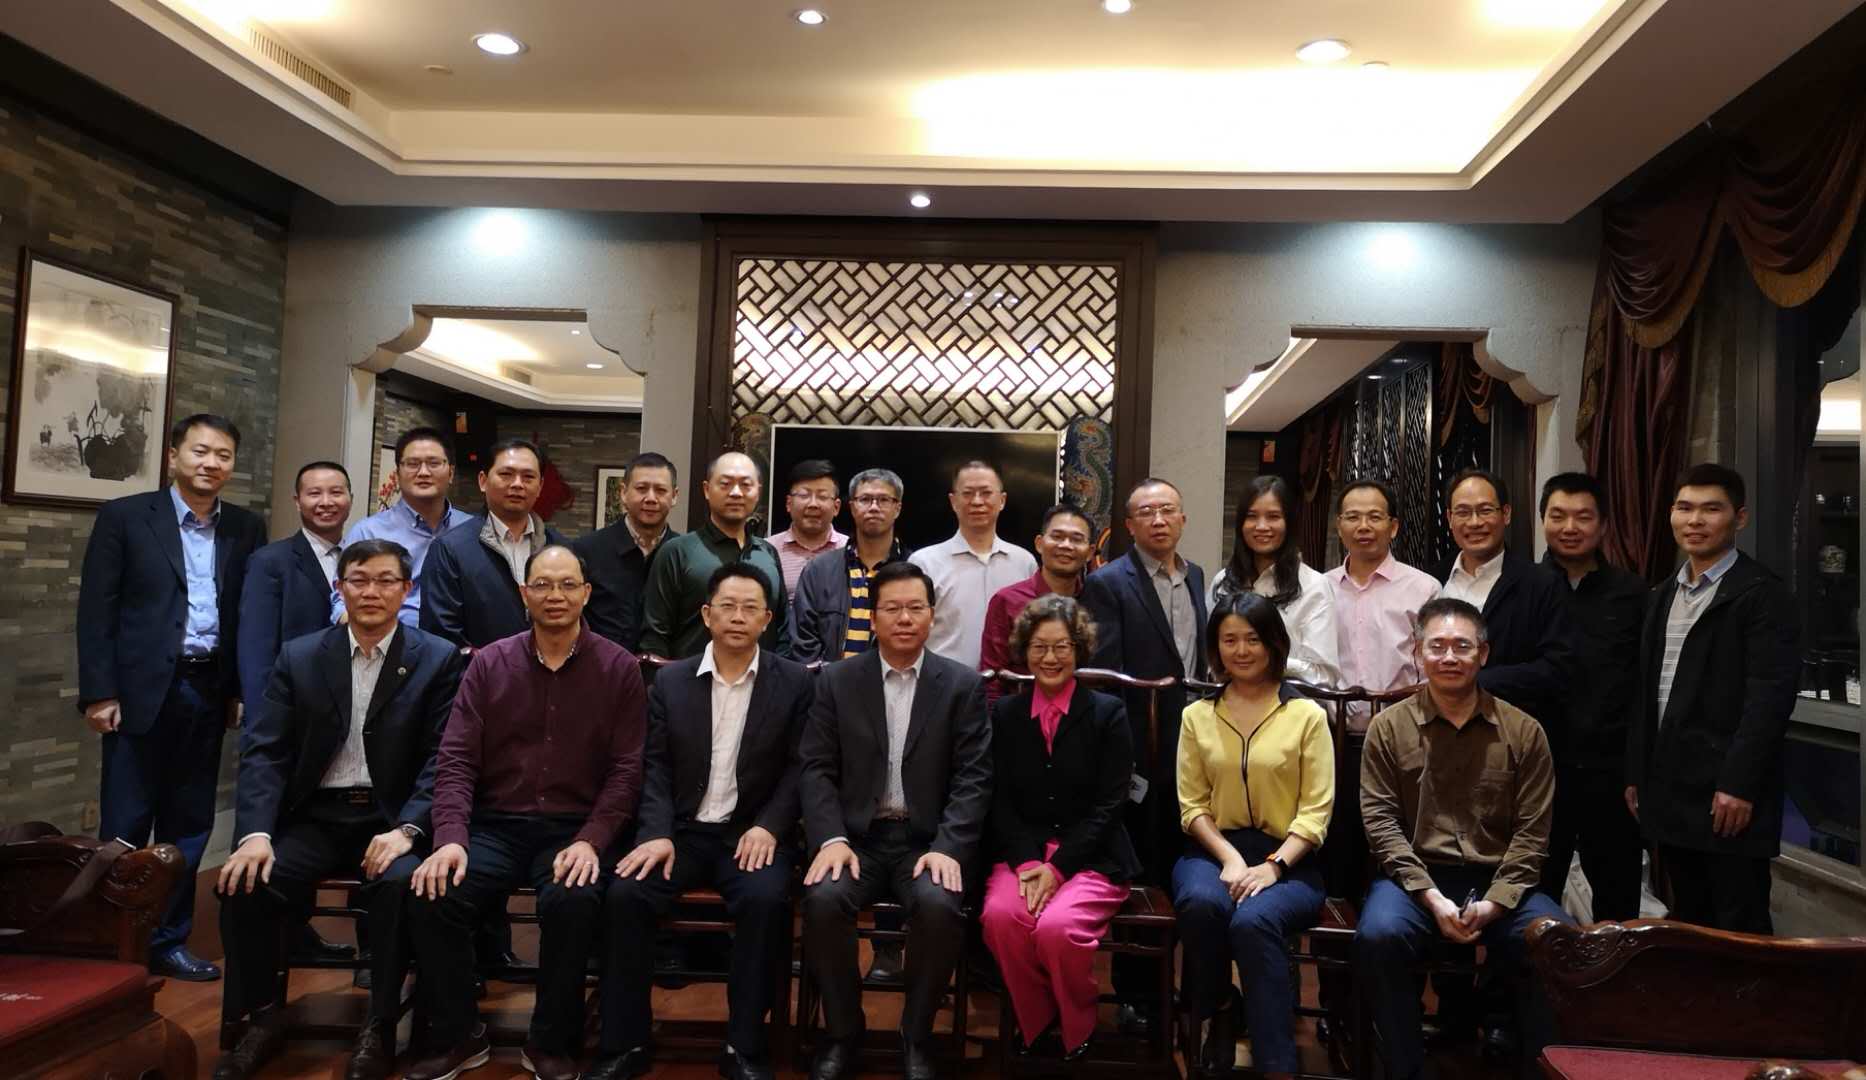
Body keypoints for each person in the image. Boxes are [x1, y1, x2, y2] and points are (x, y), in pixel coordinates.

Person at [212, 539, 466, 1080]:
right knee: (247, 882)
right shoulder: (300, 656)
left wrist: (409, 829)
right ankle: (259, 1017)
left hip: (390, 818)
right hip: (316, 817)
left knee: (400, 885)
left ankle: (380, 1023)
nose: (371, 592)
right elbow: (266, 751)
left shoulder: (437, 658)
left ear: (407, 589)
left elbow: (443, 758)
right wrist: (254, 834)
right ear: (339, 587)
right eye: (359, 580)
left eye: (386, 581)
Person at [402, 546, 647, 1080]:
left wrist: (592, 840)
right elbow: (456, 759)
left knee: (573, 898)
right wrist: (450, 837)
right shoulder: (489, 663)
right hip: (495, 824)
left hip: (573, 829)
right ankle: (459, 1032)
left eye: (567, 585)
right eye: (542, 585)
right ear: (523, 594)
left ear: (586, 593)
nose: (555, 595)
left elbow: (627, 771)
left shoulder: (619, 667)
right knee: (433, 890)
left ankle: (551, 1040)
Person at [591, 564, 816, 1080]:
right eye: (727, 607)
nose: (738, 617)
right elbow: (652, 765)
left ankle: (744, 1046)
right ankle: (625, 1043)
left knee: (766, 901)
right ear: (707, 614)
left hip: (751, 834)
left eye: (750, 608)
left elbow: (801, 766)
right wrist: (656, 833)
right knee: (625, 895)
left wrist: (771, 826)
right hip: (681, 833)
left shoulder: (794, 683)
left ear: (767, 619)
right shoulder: (671, 681)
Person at [77, 413, 266, 982]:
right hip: (138, 691)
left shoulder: (245, 527)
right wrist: (99, 693)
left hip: (208, 688)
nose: (212, 463)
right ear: (173, 456)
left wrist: (238, 689)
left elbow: (246, 617)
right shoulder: (126, 517)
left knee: (189, 822)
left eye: (224, 455)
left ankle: (167, 939)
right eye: (200, 451)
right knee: (126, 820)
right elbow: (97, 610)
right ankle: (113, 938)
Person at [1356, 598, 1572, 1080]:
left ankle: (1538, 1070)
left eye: (1462, 646)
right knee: (1379, 935)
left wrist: (1496, 902)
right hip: (1416, 880)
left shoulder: (1524, 732)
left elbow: (1533, 834)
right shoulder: (1388, 728)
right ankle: (1404, 1070)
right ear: (1418, 652)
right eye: (1437, 646)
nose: (1449, 657)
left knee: (1556, 940)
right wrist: (1430, 897)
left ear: (1484, 654)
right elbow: (1381, 825)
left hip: (1500, 881)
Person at [799, 561, 992, 1080]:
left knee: (939, 905)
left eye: (914, 608)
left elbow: (974, 778)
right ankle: (844, 1031)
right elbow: (816, 768)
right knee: (822, 900)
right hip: (855, 839)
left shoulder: (961, 685)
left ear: (932, 614)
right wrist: (830, 838)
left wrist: (949, 847)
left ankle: (917, 1034)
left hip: (925, 842)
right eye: (892, 608)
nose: (904, 619)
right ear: (873, 616)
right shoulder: (837, 680)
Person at [1626, 464, 1798, 934]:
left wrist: (1739, 784)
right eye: (1685, 508)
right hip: (1671, 787)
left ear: (1739, 518)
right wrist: (1637, 772)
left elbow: (1769, 699)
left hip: (1728, 792)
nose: (1695, 520)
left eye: (1711, 509)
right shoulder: (1663, 594)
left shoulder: (1761, 594)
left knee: (1739, 920)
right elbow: (1646, 691)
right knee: (1691, 914)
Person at [1172, 594, 1333, 1078]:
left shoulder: (1307, 715)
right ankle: (1221, 1008)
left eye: (1253, 639)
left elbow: (1316, 812)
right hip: (1212, 850)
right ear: (1216, 648)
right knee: (1202, 904)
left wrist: (1274, 866)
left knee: (1253, 922)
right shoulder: (1197, 715)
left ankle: (1277, 1063)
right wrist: (1229, 859)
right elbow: (1192, 806)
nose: (1241, 650)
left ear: (1274, 644)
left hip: (1290, 859)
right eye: (1229, 640)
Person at [981, 595, 1139, 1061]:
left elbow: (1110, 805)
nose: (1050, 658)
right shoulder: (1006, 715)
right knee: (1001, 918)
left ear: (1079, 649)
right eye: (1039, 647)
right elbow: (999, 799)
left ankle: (1077, 1023)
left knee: (1057, 929)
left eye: (1061, 647)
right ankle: (1038, 1021)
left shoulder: (1108, 713)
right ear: (1024, 651)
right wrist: (1029, 862)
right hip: (1024, 855)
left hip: (1091, 857)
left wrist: (1058, 867)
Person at [1080, 477, 1207, 1036]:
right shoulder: (1107, 583)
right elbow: (1103, 678)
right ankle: (1136, 994)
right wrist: (1121, 758)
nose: (1158, 520)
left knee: (1183, 863)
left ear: (1182, 519)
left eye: (1168, 510)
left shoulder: (1196, 576)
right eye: (1147, 512)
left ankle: (1176, 988)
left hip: (1196, 746)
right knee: (1141, 869)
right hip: (1138, 749)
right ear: (1129, 525)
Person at [1538, 472, 1648, 920]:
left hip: (1611, 773)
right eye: (1558, 516)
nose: (1570, 527)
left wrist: (1638, 769)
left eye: (1583, 517)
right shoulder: (1523, 588)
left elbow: (1644, 688)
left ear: (1603, 525)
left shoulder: (1634, 594)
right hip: (1540, 772)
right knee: (1534, 895)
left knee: (1617, 900)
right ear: (1543, 520)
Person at [1436, 468, 1576, 738]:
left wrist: (1474, 681)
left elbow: (1557, 668)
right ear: (1450, 519)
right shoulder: (1431, 582)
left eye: (1485, 510)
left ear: (1506, 514)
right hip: (1436, 736)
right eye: (1463, 512)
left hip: (1511, 737)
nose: (1475, 522)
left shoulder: (1542, 584)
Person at [419, 438, 567, 650]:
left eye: (528, 477)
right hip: (478, 670)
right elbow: (441, 636)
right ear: (483, 481)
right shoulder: (450, 549)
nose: (517, 484)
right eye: (506, 474)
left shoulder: (561, 549)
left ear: (540, 486)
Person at [641, 450, 789, 659]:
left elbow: (782, 628)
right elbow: (655, 637)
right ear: (707, 489)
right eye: (725, 484)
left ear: (758, 491)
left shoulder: (768, 553)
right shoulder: (677, 552)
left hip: (762, 677)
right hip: (691, 677)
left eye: (746, 485)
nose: (736, 493)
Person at [1324, 477, 1441, 721]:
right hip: (1330, 730)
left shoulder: (1424, 589)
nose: (1363, 526)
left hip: (1404, 727)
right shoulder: (1320, 589)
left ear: (1393, 527)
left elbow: (1432, 669)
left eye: (1375, 517)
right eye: (1352, 517)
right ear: (1339, 526)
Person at [238, 461, 353, 707]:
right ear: (298, 501)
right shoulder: (270, 562)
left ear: (350, 499)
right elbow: (256, 653)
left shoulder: (359, 561)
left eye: (336, 492)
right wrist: (263, 719)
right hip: (292, 705)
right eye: (314, 493)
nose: (326, 502)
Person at [1209, 476, 1342, 688]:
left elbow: (1324, 674)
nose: (1262, 526)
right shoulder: (1222, 581)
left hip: (1291, 703)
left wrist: (1266, 660)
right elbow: (1212, 659)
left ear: (1289, 523)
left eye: (1273, 517)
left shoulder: (1314, 586)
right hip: (1229, 701)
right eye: (1252, 516)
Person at [341, 427, 475, 626]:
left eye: (433, 463)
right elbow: (341, 601)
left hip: (459, 640)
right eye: (412, 464)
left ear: (451, 473)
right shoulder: (369, 532)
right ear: (397, 474)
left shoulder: (471, 529)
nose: (423, 472)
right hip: (392, 638)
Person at [910, 460, 1038, 669]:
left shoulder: (1024, 562)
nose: (977, 501)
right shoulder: (925, 563)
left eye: (986, 493)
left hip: (1009, 683)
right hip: (943, 682)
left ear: (1002, 500)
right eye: (968, 493)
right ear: (953, 501)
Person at [793, 467, 909, 663]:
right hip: (828, 681)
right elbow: (803, 643)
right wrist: (827, 678)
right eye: (865, 499)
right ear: (852, 507)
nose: (874, 507)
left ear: (897, 508)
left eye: (883, 500)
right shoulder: (819, 569)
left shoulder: (913, 570)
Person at [978, 503, 1093, 694]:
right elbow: (993, 680)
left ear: (1089, 552)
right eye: (1057, 536)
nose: (1066, 545)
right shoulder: (1007, 601)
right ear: (1039, 543)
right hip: (1020, 709)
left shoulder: (1097, 598)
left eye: (1076, 539)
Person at [572, 450, 681, 652]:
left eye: (660, 490)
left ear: (674, 496)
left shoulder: (684, 553)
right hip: (604, 666)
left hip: (669, 668)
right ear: (623, 492)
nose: (651, 498)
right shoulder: (586, 550)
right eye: (641, 489)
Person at [769, 458, 847, 597]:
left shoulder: (851, 551)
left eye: (822, 496)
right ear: (788, 503)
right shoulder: (768, 550)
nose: (813, 504)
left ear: (836, 507)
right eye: (804, 495)